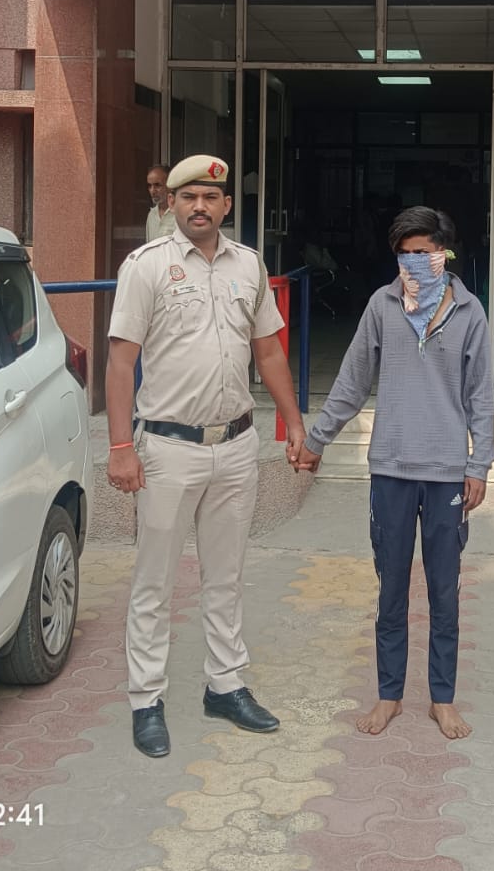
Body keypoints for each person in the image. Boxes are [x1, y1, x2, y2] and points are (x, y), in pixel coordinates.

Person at [106, 154, 306, 758]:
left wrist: (294, 422)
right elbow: (120, 361)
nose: (200, 206)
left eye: (210, 197)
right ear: (171, 203)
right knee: (155, 582)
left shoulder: (248, 264)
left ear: (226, 205)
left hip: (236, 445)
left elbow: (269, 352)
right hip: (168, 449)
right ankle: (146, 700)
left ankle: (226, 685)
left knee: (226, 576)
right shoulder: (146, 266)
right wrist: (120, 447)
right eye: (188, 196)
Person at [290, 206, 494, 740]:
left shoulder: (470, 311)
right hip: (391, 470)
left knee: (445, 593)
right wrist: (316, 440)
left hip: (448, 473)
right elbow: (352, 380)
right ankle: (389, 695)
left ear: (444, 253)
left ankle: (442, 699)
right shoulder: (382, 306)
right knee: (391, 592)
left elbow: (480, 396)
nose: (413, 263)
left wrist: (480, 463)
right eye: (404, 254)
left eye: (423, 252)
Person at [144, 164, 174, 242]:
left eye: (157, 185)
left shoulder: (180, 214)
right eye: (149, 186)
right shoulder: (152, 214)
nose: (152, 191)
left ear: (170, 185)